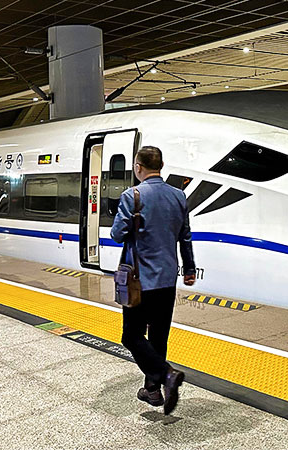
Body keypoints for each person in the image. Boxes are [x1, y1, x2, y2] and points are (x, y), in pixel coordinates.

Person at [111, 145, 196, 415]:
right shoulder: (178, 196)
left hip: (139, 281)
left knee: (131, 336)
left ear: (138, 167)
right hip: (167, 279)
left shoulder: (132, 196)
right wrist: (189, 268)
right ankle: (152, 390)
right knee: (159, 336)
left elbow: (117, 234)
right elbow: (185, 236)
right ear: (161, 166)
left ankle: (166, 374)